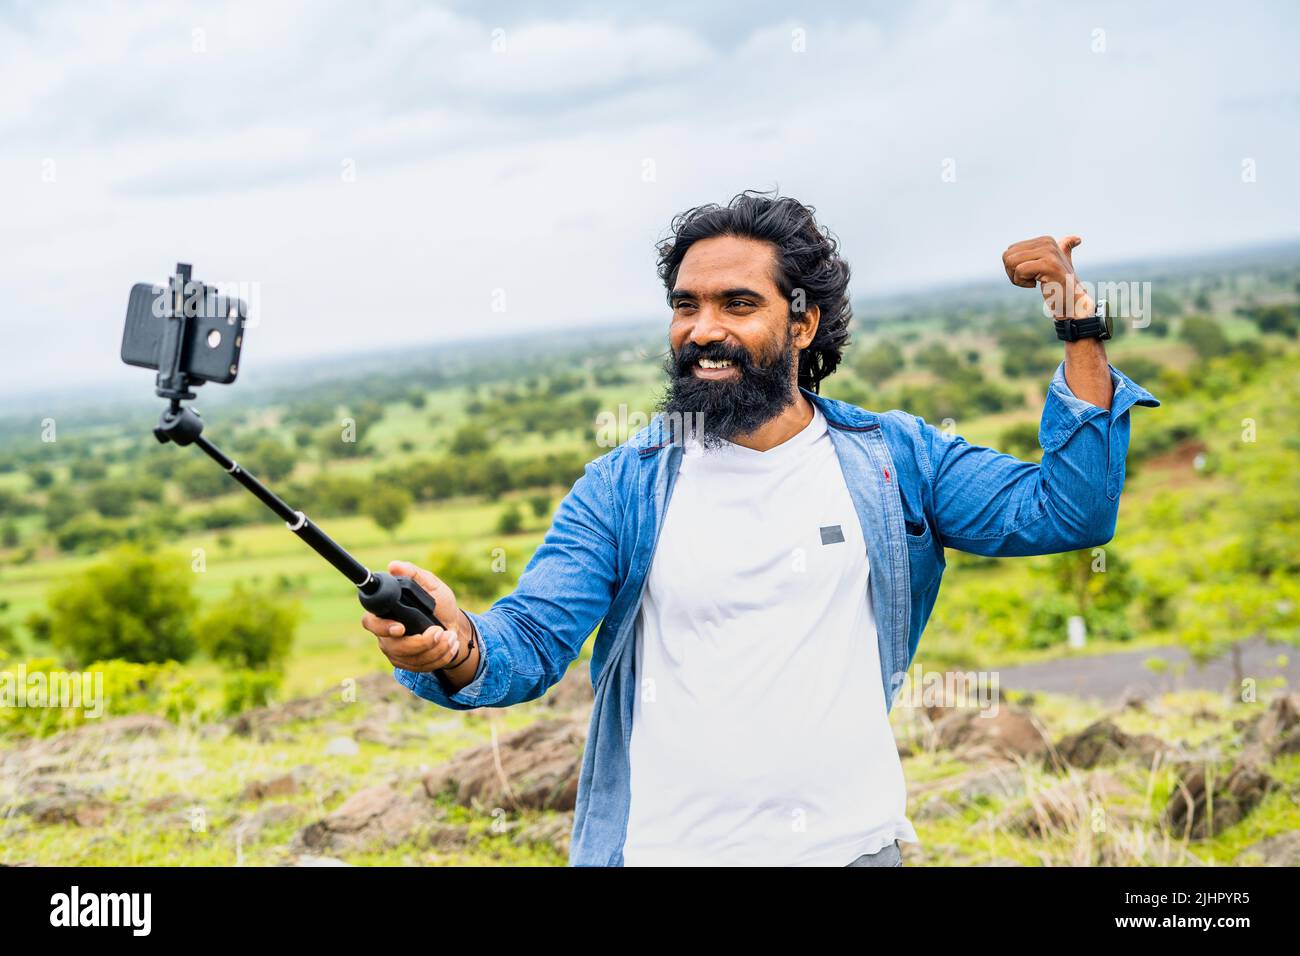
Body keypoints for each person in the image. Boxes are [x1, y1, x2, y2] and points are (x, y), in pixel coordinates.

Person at [361, 191, 1159, 866]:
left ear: (803, 325)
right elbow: (529, 644)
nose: (703, 330)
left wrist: (1077, 322)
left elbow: (1070, 510)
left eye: (738, 305)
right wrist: (454, 642)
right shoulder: (625, 487)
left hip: (858, 851)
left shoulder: (894, 460)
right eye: (686, 305)